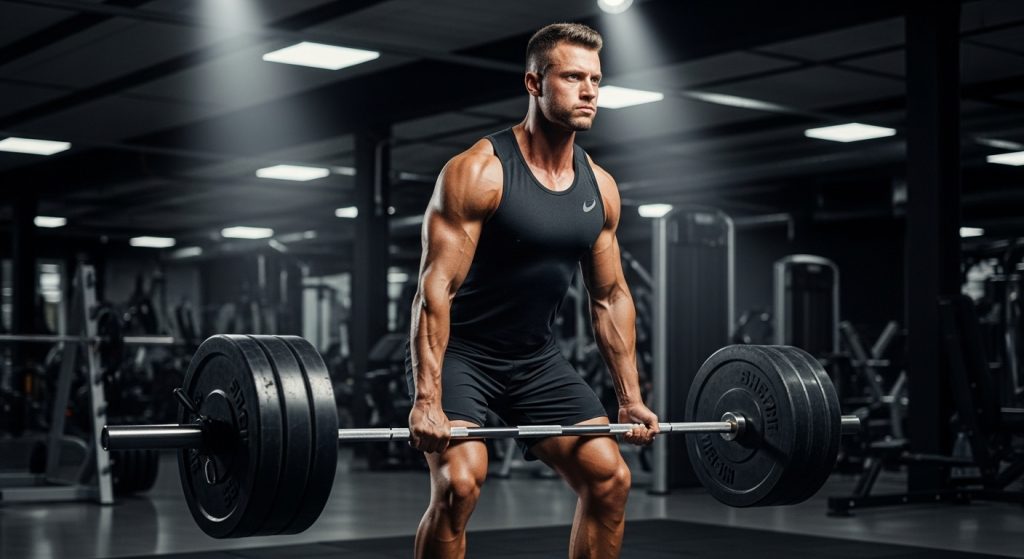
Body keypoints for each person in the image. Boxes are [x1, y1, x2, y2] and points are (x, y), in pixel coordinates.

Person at [405, 22, 658, 559]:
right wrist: (427, 400)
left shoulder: (601, 187)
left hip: (535, 360)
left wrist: (630, 399)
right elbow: (436, 288)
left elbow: (610, 297)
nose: (589, 91)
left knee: (610, 478)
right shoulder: (479, 172)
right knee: (460, 484)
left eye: (595, 79)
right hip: (463, 356)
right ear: (534, 83)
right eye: (572, 77)